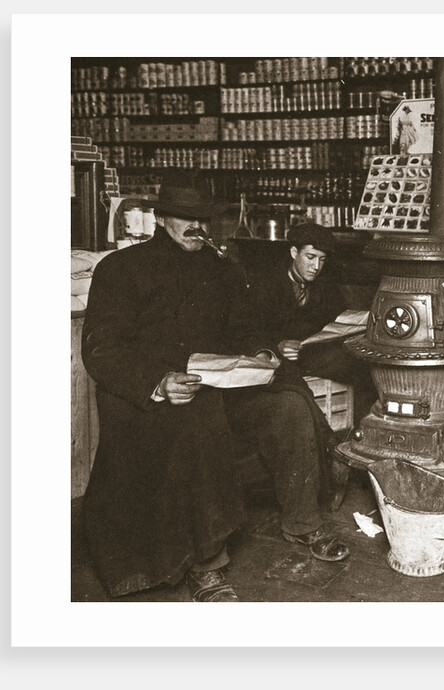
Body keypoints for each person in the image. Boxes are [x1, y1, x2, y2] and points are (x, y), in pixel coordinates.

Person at [80, 171, 349, 603]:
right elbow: (101, 351)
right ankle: (208, 565)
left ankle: (302, 523)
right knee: (198, 420)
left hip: (216, 386)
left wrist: (260, 352)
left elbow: (244, 327)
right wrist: (159, 382)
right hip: (149, 396)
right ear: (160, 217)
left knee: (288, 405)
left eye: (203, 219)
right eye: (185, 218)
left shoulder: (222, 270)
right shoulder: (122, 269)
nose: (196, 228)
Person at [249, 222, 375, 425]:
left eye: (322, 260)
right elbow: (252, 329)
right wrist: (278, 345)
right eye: (310, 257)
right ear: (293, 252)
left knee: (365, 360)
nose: (316, 267)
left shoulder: (325, 284)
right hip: (283, 359)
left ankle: (363, 427)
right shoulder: (267, 283)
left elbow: (337, 319)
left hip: (315, 353)